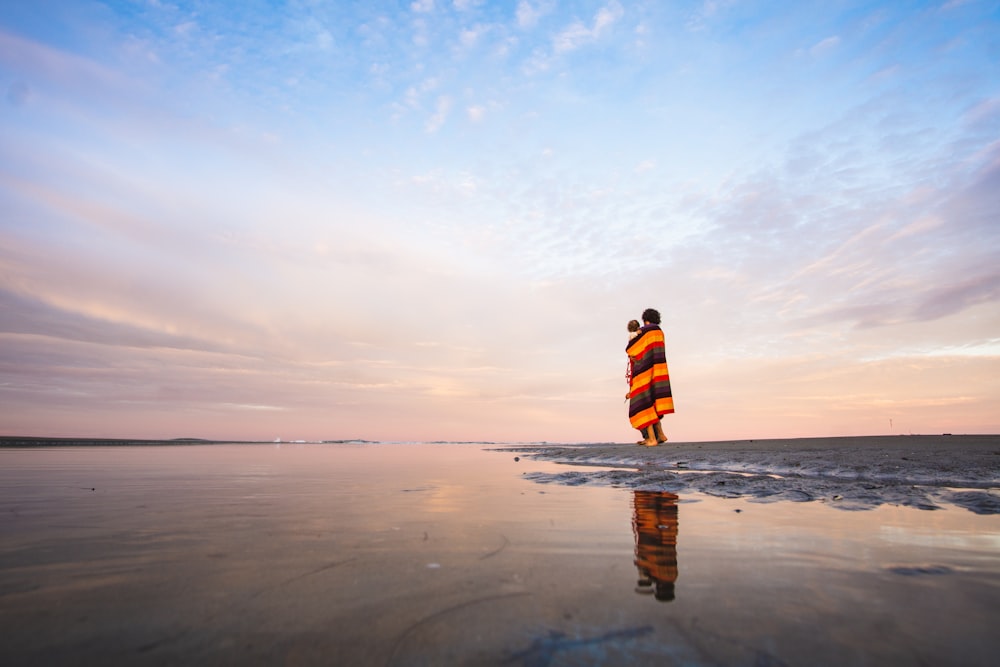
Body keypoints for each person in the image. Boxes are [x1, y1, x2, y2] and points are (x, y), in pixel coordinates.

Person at [626, 308, 674, 446]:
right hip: (658, 371)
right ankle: (661, 435)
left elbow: (632, 349)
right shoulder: (659, 332)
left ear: (645, 320)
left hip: (645, 373)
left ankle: (652, 439)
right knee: (652, 402)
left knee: (643, 403)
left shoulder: (646, 332)